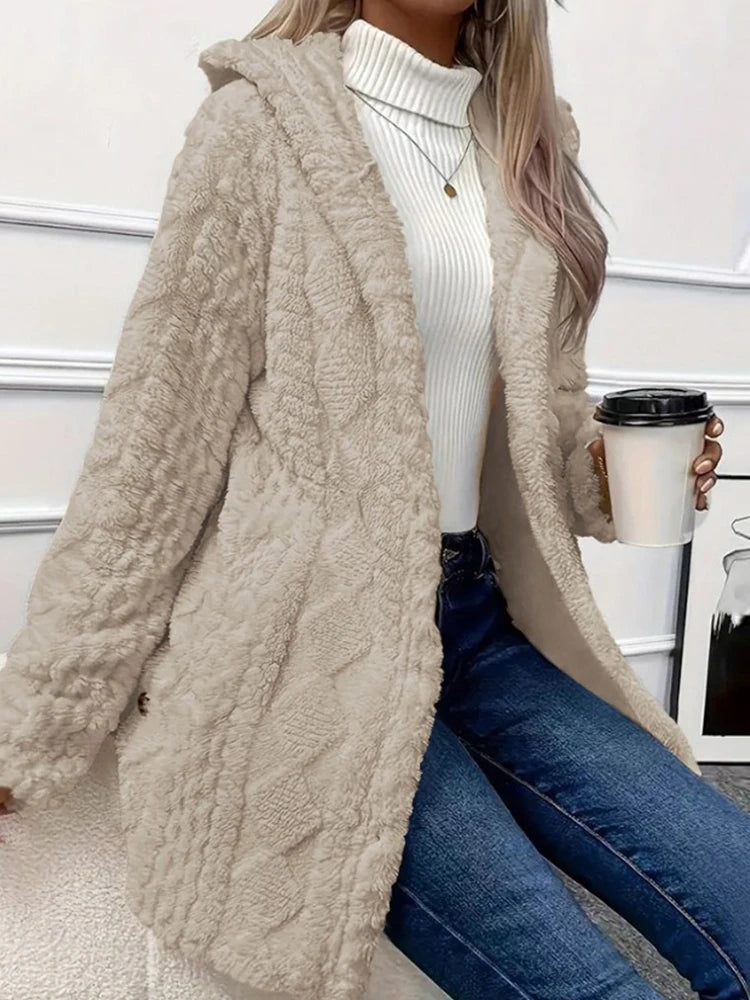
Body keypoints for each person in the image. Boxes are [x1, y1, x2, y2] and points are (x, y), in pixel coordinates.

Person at [1, 1, 746, 999]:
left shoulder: (527, 148)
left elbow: (545, 430)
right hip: (313, 646)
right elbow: (149, 459)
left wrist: (615, 473)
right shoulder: (260, 128)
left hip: (476, 622)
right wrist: (31, 727)